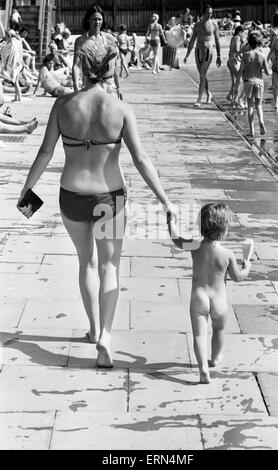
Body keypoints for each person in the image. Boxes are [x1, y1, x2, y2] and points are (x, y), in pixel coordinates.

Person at [17, 41, 176, 369]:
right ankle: (105, 333)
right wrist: (166, 200)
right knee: (110, 267)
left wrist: (27, 187)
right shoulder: (119, 108)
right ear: (111, 68)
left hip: (71, 196)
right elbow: (142, 159)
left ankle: (92, 329)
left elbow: (45, 153)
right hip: (110, 198)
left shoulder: (62, 105)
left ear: (81, 65)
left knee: (86, 263)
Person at [167, 202, 251, 383]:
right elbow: (238, 277)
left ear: (201, 225)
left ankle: (203, 369)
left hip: (199, 297)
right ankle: (215, 358)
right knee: (219, 329)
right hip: (219, 301)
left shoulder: (195, 246)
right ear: (224, 228)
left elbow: (176, 239)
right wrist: (247, 267)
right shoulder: (227, 254)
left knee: (199, 335)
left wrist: (170, 222)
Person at [72, 5, 121, 98]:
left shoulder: (109, 38)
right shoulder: (81, 41)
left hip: (108, 85)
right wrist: (75, 87)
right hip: (89, 85)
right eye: (94, 19)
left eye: (99, 19)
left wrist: (118, 87)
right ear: (88, 20)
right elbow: (76, 66)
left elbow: (115, 65)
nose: (97, 22)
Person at [184, 4, 221, 107]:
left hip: (209, 51)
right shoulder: (197, 25)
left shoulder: (214, 24)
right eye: (209, 13)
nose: (210, 15)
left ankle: (199, 99)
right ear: (204, 13)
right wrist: (187, 55)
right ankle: (209, 94)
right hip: (198, 51)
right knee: (202, 75)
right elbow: (192, 41)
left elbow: (217, 41)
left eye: (211, 13)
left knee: (202, 75)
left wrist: (218, 56)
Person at [236, 31, 269, 137]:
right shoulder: (262, 55)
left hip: (248, 82)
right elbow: (268, 72)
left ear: (249, 43)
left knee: (250, 106)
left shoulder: (246, 55)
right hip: (259, 82)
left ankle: (252, 131)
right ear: (259, 43)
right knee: (259, 105)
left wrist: (237, 82)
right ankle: (261, 122)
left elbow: (241, 71)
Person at [0, 28, 24, 101]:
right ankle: (17, 97)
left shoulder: (12, 43)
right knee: (16, 82)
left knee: (16, 82)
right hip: (19, 63)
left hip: (15, 65)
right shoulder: (18, 41)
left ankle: (20, 98)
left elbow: (7, 54)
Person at [226, 25, 244, 103]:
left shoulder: (233, 38)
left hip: (230, 60)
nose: (243, 34)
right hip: (234, 61)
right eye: (243, 33)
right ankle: (235, 99)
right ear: (239, 32)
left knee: (234, 81)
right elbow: (237, 49)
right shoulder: (237, 38)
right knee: (239, 80)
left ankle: (230, 95)